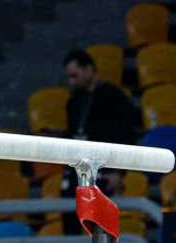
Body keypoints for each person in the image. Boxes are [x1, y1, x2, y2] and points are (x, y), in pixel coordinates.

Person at [61, 49, 142, 231]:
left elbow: (128, 135)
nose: (71, 81)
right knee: (72, 223)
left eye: (75, 75)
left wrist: (119, 172)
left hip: (105, 171)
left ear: (89, 69)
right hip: (77, 170)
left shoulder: (115, 97)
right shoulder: (73, 101)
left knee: (101, 227)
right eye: (69, 77)